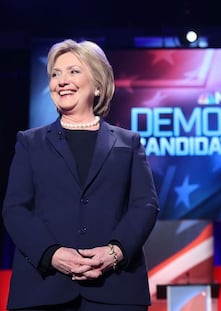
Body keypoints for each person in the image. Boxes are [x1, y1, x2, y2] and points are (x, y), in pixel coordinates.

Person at [2, 39, 159, 311]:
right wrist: (52, 254)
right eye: (55, 74)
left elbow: (145, 205)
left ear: (98, 84)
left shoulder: (128, 142)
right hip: (44, 291)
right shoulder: (30, 142)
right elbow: (15, 209)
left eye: (73, 71)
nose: (62, 80)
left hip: (115, 290)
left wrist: (115, 252)